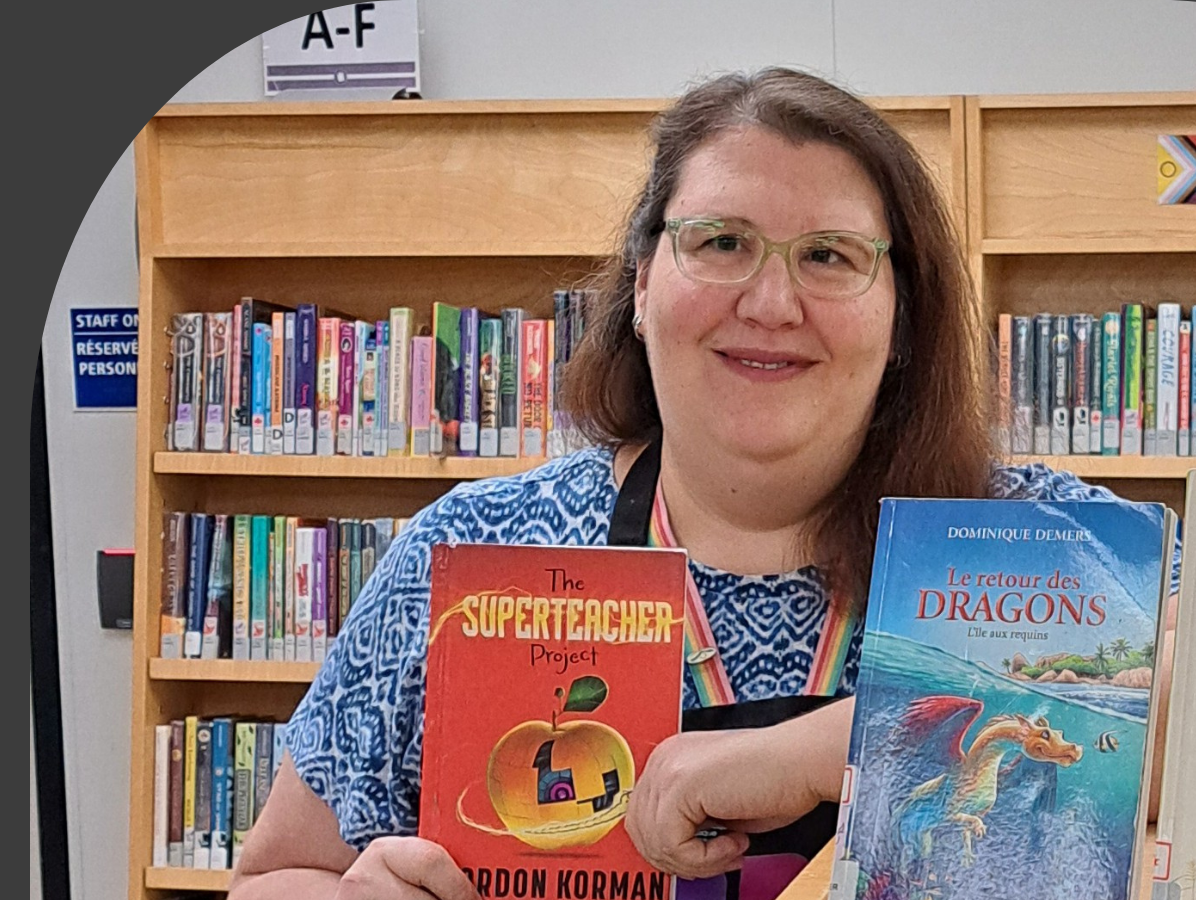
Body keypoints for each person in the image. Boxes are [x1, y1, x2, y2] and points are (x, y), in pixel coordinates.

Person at [229, 68, 1170, 900]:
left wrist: (822, 749)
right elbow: (273, 876)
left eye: (829, 256)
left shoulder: (1045, 537)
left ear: (904, 321)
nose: (769, 302)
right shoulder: (473, 554)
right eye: (721, 242)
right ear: (641, 286)